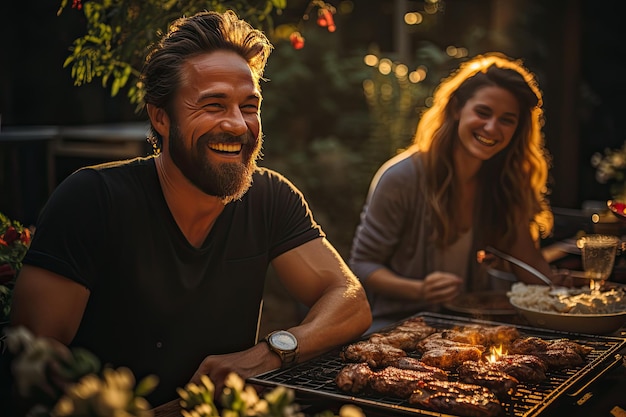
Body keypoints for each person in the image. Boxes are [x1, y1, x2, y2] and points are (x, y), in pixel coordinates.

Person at [6, 10, 371, 408]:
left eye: (249, 106)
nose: (237, 125)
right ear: (160, 117)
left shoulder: (270, 197)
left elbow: (350, 300)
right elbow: (35, 360)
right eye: (214, 105)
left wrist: (269, 353)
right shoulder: (92, 199)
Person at [349, 52, 563, 331]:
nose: (491, 127)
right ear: (456, 109)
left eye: (507, 120)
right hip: (399, 328)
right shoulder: (400, 178)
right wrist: (419, 289)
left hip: (474, 331)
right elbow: (362, 266)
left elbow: (530, 263)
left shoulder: (506, 182)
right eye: (483, 112)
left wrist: (565, 295)